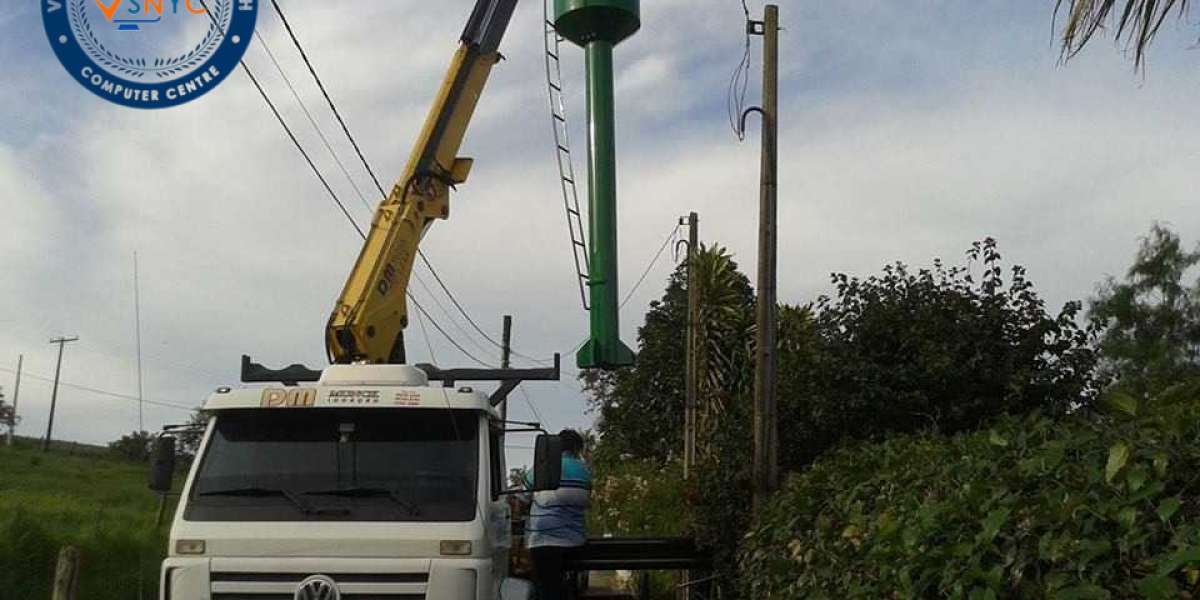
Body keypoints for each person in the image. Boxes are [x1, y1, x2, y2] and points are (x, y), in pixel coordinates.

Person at [524, 429, 591, 600]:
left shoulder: (541, 468)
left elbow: (522, 497)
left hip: (543, 541)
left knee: (544, 586)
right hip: (575, 542)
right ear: (577, 449)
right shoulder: (584, 471)